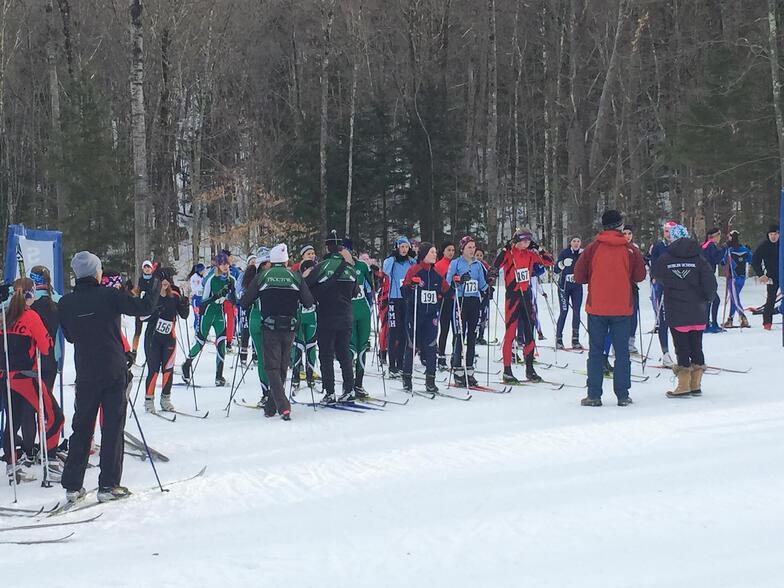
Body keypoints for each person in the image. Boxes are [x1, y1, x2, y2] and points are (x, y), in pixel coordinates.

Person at [59, 251, 160, 503]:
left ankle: (72, 485)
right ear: (97, 273)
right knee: (112, 426)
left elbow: (69, 336)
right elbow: (144, 308)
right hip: (113, 369)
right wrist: (154, 284)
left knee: (82, 427)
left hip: (85, 371)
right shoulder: (109, 295)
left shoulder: (66, 302)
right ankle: (108, 484)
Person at [573, 210, 646, 407]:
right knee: (622, 352)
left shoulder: (593, 248)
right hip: (622, 307)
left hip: (597, 307)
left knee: (596, 352)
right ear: (620, 225)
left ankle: (594, 395)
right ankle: (622, 395)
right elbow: (640, 275)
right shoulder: (629, 249)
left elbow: (579, 276)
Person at [240, 244, 314, 419]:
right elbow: (308, 302)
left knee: (271, 367)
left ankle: (283, 406)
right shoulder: (295, 276)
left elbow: (245, 302)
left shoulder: (263, 276)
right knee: (281, 366)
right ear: (286, 261)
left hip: (270, 327)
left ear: (271, 261)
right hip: (290, 328)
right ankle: (270, 407)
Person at [1, 278, 63, 484]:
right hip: (26, 376)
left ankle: (13, 467)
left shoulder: (4, 315)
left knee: (13, 421)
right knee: (54, 415)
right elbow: (45, 347)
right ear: (30, 294)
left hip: (5, 376)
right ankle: (51, 462)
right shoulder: (30, 316)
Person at [652, 225, 717, 398]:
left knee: (681, 348)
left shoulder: (666, 258)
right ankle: (695, 384)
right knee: (697, 346)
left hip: (677, 310)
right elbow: (710, 283)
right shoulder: (699, 258)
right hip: (697, 310)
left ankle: (683, 385)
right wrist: (707, 298)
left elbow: (657, 275)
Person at [493, 229, 554, 384]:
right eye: (523, 241)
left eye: (528, 241)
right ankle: (507, 370)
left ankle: (530, 369)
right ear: (516, 241)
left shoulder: (530, 254)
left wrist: (538, 248)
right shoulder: (509, 254)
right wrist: (505, 249)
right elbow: (495, 266)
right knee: (510, 333)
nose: (526, 243)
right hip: (513, 297)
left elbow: (549, 261)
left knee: (529, 332)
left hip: (526, 296)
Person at [305, 230, 358, 403]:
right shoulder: (350, 269)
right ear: (340, 248)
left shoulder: (321, 266)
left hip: (326, 316)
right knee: (344, 354)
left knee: (326, 356)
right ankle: (349, 389)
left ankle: (330, 392)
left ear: (327, 248)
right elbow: (355, 292)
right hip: (346, 316)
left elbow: (306, 286)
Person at [182, 252, 236, 387]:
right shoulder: (211, 279)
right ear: (217, 265)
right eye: (222, 264)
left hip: (219, 312)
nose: (225, 266)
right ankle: (186, 365)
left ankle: (219, 376)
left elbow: (234, 299)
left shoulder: (231, 279)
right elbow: (204, 302)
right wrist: (218, 295)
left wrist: (231, 295)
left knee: (221, 342)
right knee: (200, 343)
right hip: (207, 312)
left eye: (227, 264)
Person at [402, 243, 449, 393]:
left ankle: (430, 380)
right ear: (424, 254)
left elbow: (447, 291)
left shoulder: (437, 273)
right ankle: (407, 378)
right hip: (415, 314)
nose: (435, 254)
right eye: (432, 252)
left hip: (431, 316)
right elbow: (404, 291)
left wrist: (456, 284)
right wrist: (411, 286)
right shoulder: (414, 270)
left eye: (435, 252)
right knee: (412, 346)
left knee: (431, 346)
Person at [142, 268, 189, 413]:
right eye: (161, 279)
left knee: (168, 370)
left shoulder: (174, 295)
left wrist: (184, 303)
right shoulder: (151, 295)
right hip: (153, 339)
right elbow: (142, 317)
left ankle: (165, 399)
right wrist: (155, 310)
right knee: (154, 370)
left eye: (167, 279)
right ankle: (149, 401)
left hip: (169, 339)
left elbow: (184, 315)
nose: (164, 282)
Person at [448, 235, 490, 387]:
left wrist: (489, 286)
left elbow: (482, 284)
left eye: (473, 247)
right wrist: (459, 280)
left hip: (474, 302)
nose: (472, 250)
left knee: (472, 336)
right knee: (460, 335)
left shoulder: (478, 265)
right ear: (462, 249)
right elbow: (448, 282)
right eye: (469, 247)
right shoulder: (456, 263)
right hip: (461, 301)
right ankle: (458, 370)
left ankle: (470, 370)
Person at [382, 237, 416, 377]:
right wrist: (392, 257)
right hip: (394, 299)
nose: (404, 250)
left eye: (406, 247)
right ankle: (392, 365)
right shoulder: (392, 261)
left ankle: (400, 363)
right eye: (401, 247)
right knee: (393, 332)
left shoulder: (411, 262)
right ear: (397, 247)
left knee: (403, 333)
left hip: (406, 300)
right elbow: (386, 271)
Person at [345, 239, 373, 398]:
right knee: (350, 347)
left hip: (363, 311)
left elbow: (372, 286)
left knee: (362, 346)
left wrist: (376, 275)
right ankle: (348, 384)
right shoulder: (339, 268)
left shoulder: (361, 266)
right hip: (348, 312)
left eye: (348, 251)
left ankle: (359, 384)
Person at [649, 221, 676, 366]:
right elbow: (654, 265)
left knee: (679, 320)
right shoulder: (659, 246)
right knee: (663, 319)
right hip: (662, 286)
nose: (669, 234)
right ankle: (665, 353)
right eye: (666, 231)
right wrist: (655, 278)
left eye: (671, 231)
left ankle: (683, 353)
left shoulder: (680, 246)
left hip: (678, 288)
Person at [291, 259, 318, 390]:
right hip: (299, 317)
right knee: (298, 346)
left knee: (311, 346)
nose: (312, 272)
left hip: (311, 317)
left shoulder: (316, 282)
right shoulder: (297, 281)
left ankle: (310, 376)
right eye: (309, 269)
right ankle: (296, 376)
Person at [553, 236, 584, 350]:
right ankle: (559, 339)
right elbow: (556, 269)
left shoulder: (583, 254)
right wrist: (562, 263)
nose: (576, 243)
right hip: (564, 288)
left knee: (577, 312)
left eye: (578, 241)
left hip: (577, 287)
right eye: (574, 241)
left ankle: (575, 340)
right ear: (570, 242)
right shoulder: (565, 253)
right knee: (564, 312)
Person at [721, 230, 753, 328]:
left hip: (733, 278)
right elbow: (750, 260)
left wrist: (724, 250)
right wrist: (749, 251)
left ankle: (742, 317)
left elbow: (723, 262)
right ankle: (730, 319)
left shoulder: (729, 250)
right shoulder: (744, 249)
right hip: (742, 278)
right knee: (734, 298)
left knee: (735, 299)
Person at [752, 224, 780, 330]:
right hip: (772, 276)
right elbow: (755, 260)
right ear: (768, 235)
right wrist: (760, 274)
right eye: (771, 234)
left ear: (779, 234)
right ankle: (767, 322)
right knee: (771, 299)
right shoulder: (764, 246)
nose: (773, 236)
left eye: (775, 234)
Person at [434, 242, 456, 370]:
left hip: (455, 300)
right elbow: (436, 282)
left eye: (453, 250)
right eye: (449, 250)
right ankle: (441, 357)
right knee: (444, 329)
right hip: (444, 300)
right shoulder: (439, 265)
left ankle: (455, 356)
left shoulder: (455, 264)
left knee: (456, 330)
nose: (451, 252)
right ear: (443, 251)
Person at [131, 260, 157, 360]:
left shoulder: (155, 280)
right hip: (140, 308)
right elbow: (137, 291)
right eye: (145, 267)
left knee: (150, 334)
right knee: (137, 332)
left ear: (151, 269)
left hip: (151, 309)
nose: (147, 269)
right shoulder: (140, 279)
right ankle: (134, 353)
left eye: (148, 267)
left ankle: (150, 355)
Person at [701, 228, 725, 333]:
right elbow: (715, 259)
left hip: (705, 276)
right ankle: (710, 324)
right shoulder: (710, 246)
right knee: (714, 300)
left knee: (711, 300)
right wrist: (724, 249)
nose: (719, 238)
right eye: (718, 235)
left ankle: (708, 323)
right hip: (708, 276)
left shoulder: (704, 246)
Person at [475, 248, 493, 345]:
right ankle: (473, 335)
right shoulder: (472, 265)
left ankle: (481, 336)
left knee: (484, 315)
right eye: (477, 255)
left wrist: (490, 283)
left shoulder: (485, 265)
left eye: (480, 255)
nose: (479, 257)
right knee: (477, 315)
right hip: (477, 294)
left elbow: (490, 277)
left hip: (485, 293)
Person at [187, 263, 206, 335]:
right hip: (196, 299)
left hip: (202, 298)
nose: (204, 271)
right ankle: (197, 332)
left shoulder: (202, 277)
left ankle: (202, 332)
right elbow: (195, 288)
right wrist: (202, 286)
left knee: (203, 316)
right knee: (197, 316)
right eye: (203, 270)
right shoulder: (194, 277)